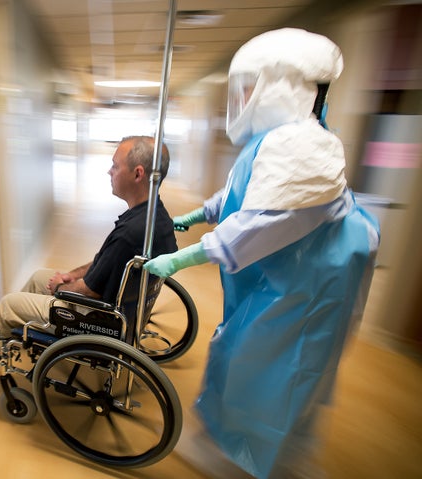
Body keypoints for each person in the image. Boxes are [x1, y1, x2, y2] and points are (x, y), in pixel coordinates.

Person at [144, 28, 380, 478]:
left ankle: (262, 464)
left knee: (274, 377)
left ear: (284, 86)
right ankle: (235, 448)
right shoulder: (275, 139)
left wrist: (182, 258)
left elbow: (260, 225)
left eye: (251, 85)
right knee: (242, 360)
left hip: (303, 293)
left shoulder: (303, 145)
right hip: (276, 284)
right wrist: (197, 214)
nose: (244, 96)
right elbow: (240, 194)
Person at [0, 135, 178, 374]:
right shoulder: (154, 217)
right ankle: (9, 324)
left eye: (115, 166)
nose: (109, 172)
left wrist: (61, 288)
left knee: (10, 303)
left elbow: (90, 290)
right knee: (39, 276)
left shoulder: (130, 233)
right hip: (120, 304)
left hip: (100, 316)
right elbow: (105, 262)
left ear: (137, 174)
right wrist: (69, 275)